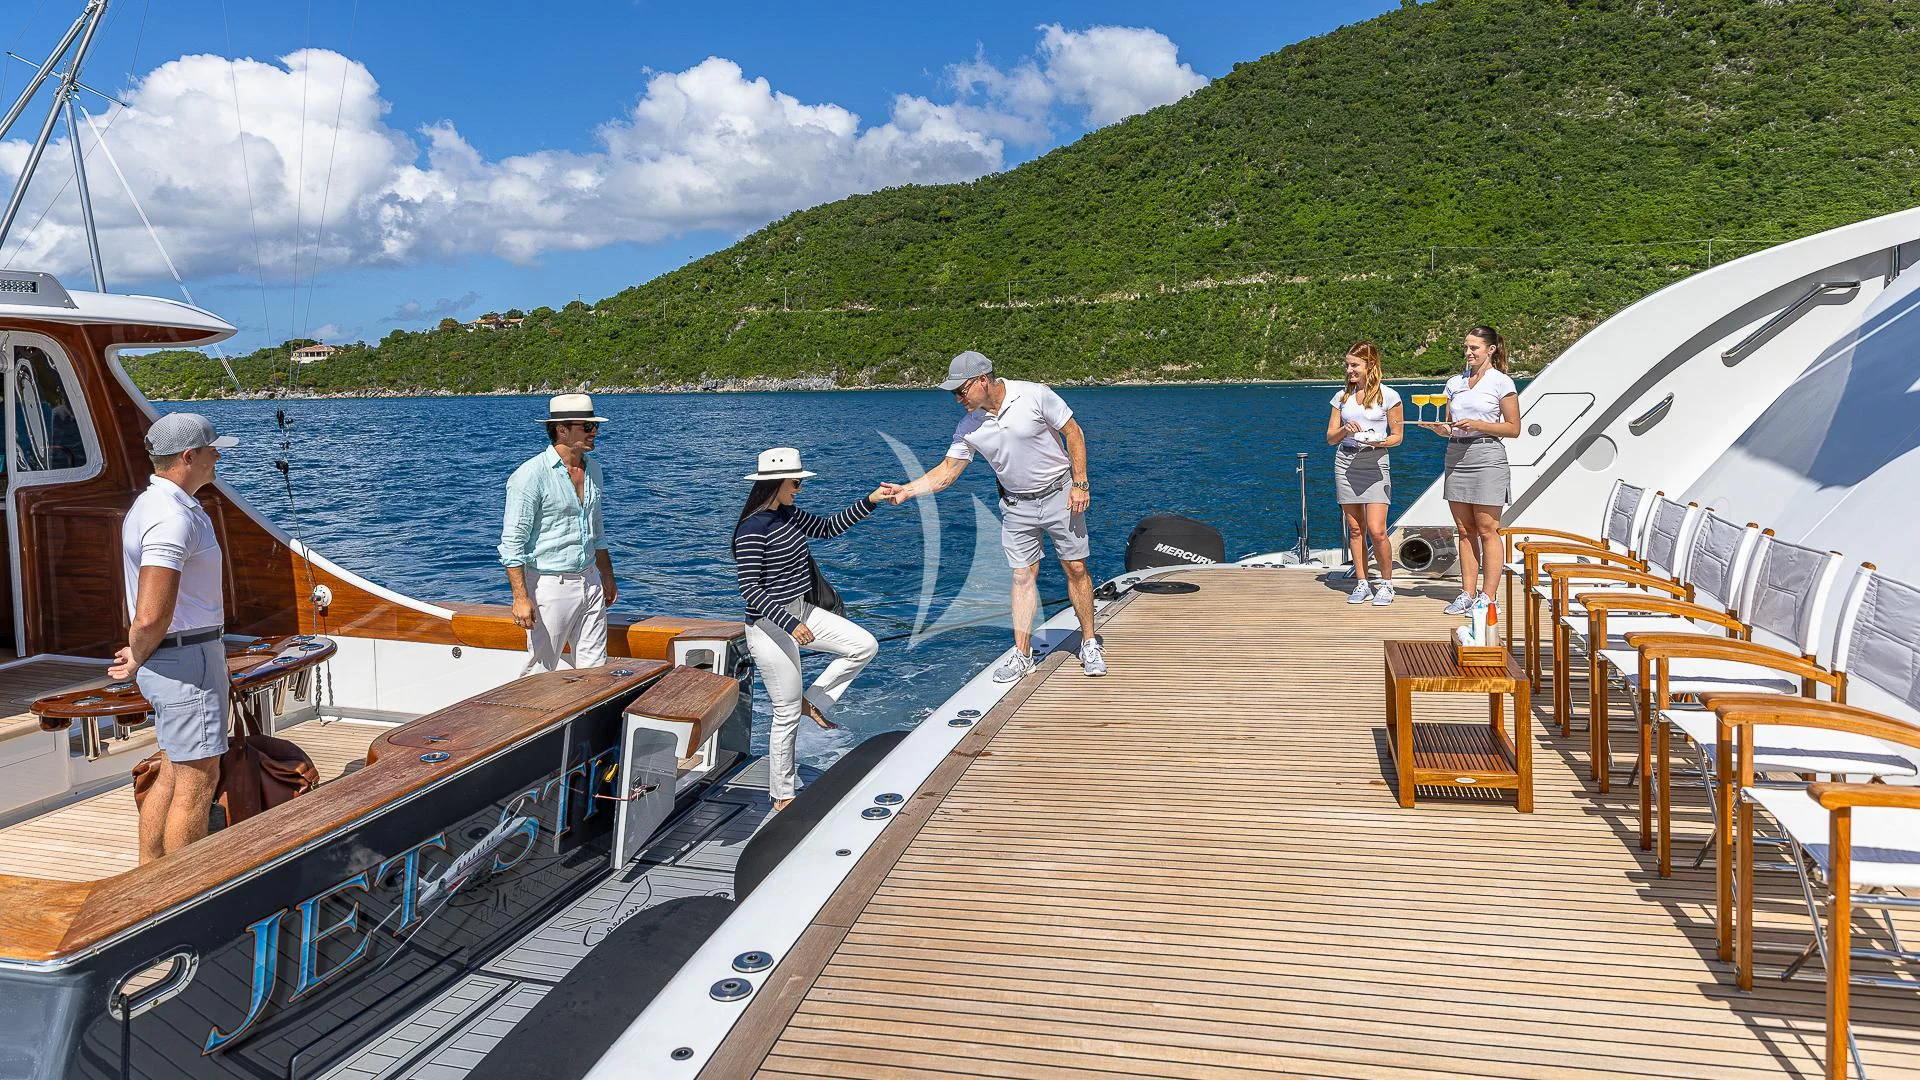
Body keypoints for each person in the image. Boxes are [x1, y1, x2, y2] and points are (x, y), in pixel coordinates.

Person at [886, 350, 1103, 682]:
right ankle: (1022, 655)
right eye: (954, 393)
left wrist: (1080, 483)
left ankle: (1089, 643)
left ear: (982, 380)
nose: (957, 399)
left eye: (961, 391)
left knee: (1075, 567)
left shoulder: (1034, 395)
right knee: (1022, 576)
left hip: (1061, 494)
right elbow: (947, 471)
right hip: (1016, 505)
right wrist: (907, 490)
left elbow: (1073, 432)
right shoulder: (968, 427)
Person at [108, 412, 239, 863]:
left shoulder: (151, 505)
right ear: (188, 456)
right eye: (211, 449)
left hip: (176, 657)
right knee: (197, 781)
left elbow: (148, 618)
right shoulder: (172, 518)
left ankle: (150, 877)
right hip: (188, 663)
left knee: (172, 770)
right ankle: (185, 891)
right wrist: (138, 652)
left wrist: (141, 653)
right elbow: (150, 615)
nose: (217, 455)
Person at [732, 448, 894, 811]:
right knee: (785, 713)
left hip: (802, 611)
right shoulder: (752, 529)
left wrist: (871, 500)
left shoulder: (788, 515)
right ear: (776, 483)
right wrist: (790, 624)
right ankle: (782, 795)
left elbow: (828, 528)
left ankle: (814, 702)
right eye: (796, 482)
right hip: (769, 625)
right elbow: (750, 590)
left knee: (864, 645)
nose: (800, 488)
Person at [499, 394, 617, 674]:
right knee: (540, 670)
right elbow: (512, 543)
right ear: (562, 429)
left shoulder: (594, 470)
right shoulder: (530, 476)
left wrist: (607, 575)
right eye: (587, 427)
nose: (595, 432)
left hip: (590, 581)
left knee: (594, 669)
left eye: (595, 426)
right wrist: (520, 597)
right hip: (550, 586)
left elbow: (596, 530)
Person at [1417, 325, 1521, 615]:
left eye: (1474, 347)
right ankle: (1466, 593)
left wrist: (1478, 424)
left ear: (1491, 350)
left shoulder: (1502, 382)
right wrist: (1439, 429)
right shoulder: (1454, 383)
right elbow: (1450, 425)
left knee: (1488, 530)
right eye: (1466, 347)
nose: (1468, 352)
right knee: (1464, 530)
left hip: (1487, 455)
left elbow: (1513, 428)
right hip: (1456, 455)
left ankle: (1489, 597)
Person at [1325, 341, 1403, 605]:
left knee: (1377, 530)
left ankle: (1387, 584)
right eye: (1347, 365)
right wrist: (1345, 430)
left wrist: (1378, 441)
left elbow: (1397, 437)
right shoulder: (1341, 398)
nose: (1349, 370)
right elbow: (1330, 438)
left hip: (1375, 462)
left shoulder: (1389, 396)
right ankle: (1362, 583)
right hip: (1346, 462)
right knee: (1355, 529)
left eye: (1355, 365)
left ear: (1370, 365)